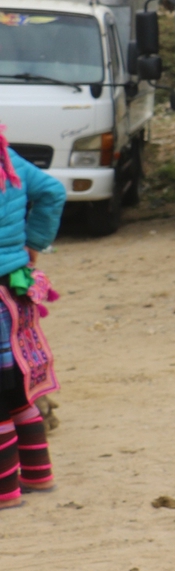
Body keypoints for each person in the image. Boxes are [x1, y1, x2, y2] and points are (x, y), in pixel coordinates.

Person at [0, 127, 66, 508]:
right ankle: (39, 476)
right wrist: (33, 244)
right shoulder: (8, 159)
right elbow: (53, 192)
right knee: (16, 391)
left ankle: (5, 491)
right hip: (13, 289)